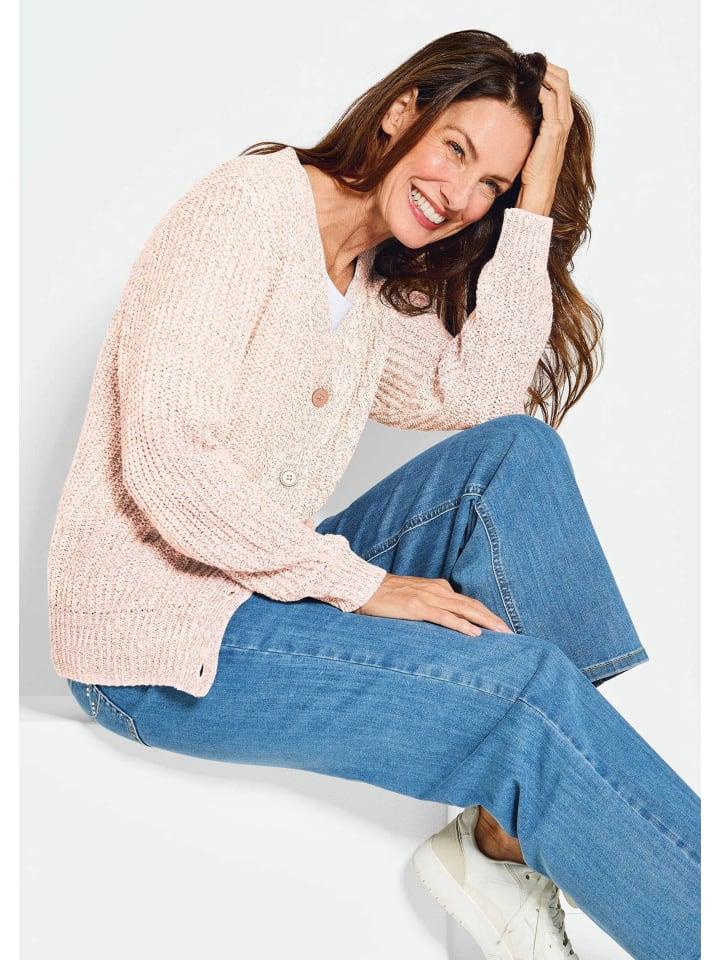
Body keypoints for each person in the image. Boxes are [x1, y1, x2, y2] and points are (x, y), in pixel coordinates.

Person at [51, 29, 699, 960]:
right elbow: (168, 461)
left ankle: (511, 835)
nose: (459, 195)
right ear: (402, 113)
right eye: (456, 149)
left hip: (249, 588)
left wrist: (537, 198)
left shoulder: (363, 285)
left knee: (515, 456)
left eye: (492, 184)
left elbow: (482, 395)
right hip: (152, 645)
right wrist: (361, 585)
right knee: (523, 695)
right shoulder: (247, 209)